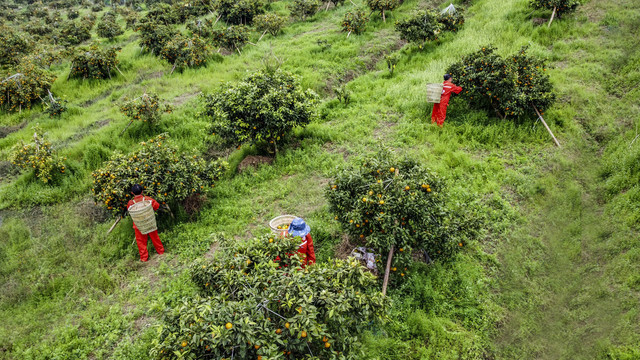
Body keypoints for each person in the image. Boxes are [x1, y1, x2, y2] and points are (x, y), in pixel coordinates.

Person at [127, 184, 165, 262]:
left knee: (141, 241)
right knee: (155, 237)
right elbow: (157, 206)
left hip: (138, 225)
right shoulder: (147, 199)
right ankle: (161, 252)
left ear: (132, 193)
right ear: (142, 191)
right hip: (149, 222)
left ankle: (144, 258)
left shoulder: (131, 203)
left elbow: (130, 211)